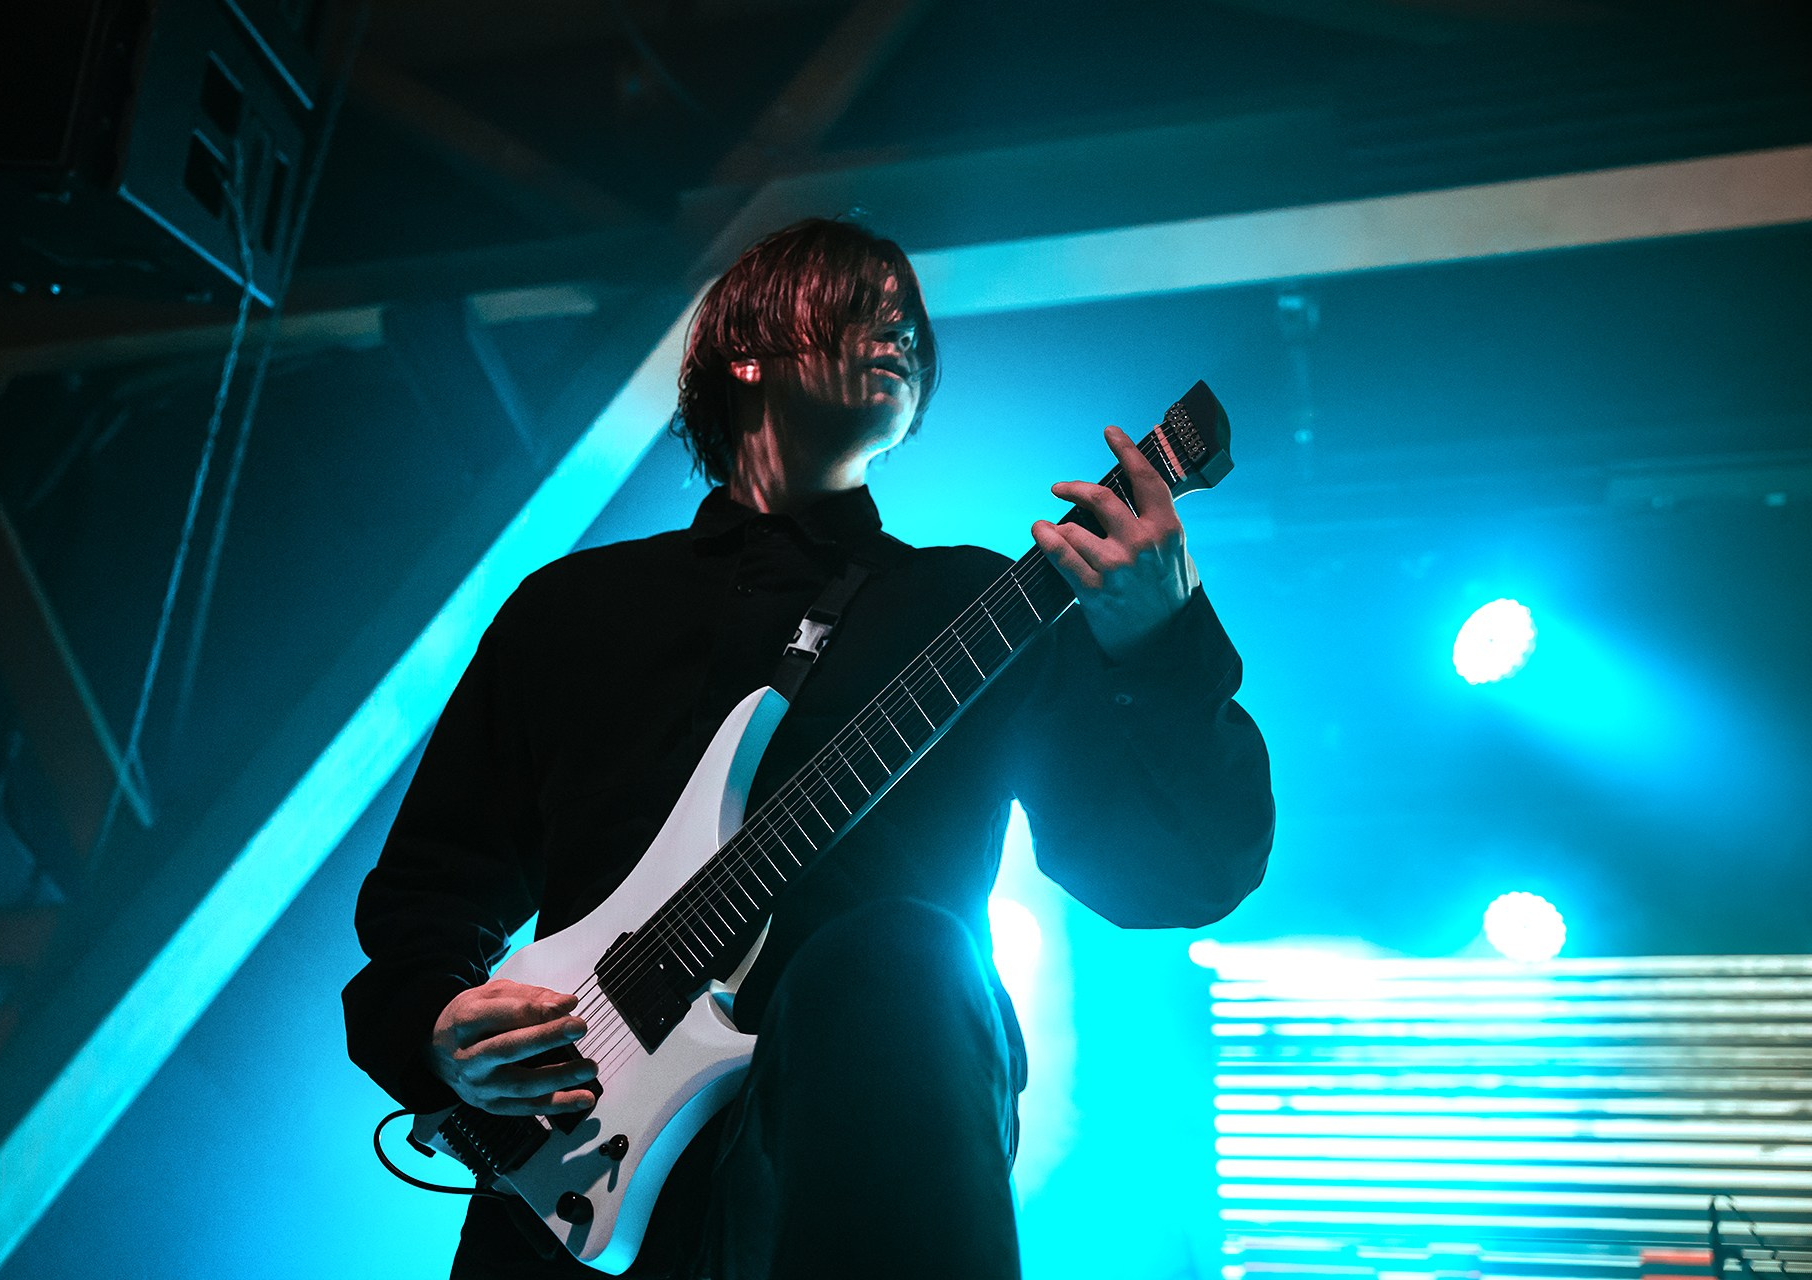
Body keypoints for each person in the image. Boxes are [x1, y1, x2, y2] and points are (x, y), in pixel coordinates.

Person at [343, 217, 1274, 1279]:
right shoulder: (570, 611)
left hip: (864, 1162)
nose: (899, 327)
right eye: (858, 302)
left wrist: (1162, 644)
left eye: (909, 318)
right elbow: (424, 901)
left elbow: (1183, 874)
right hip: (571, 1172)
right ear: (744, 350)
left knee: (904, 953)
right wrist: (438, 1026)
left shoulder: (971, 604)